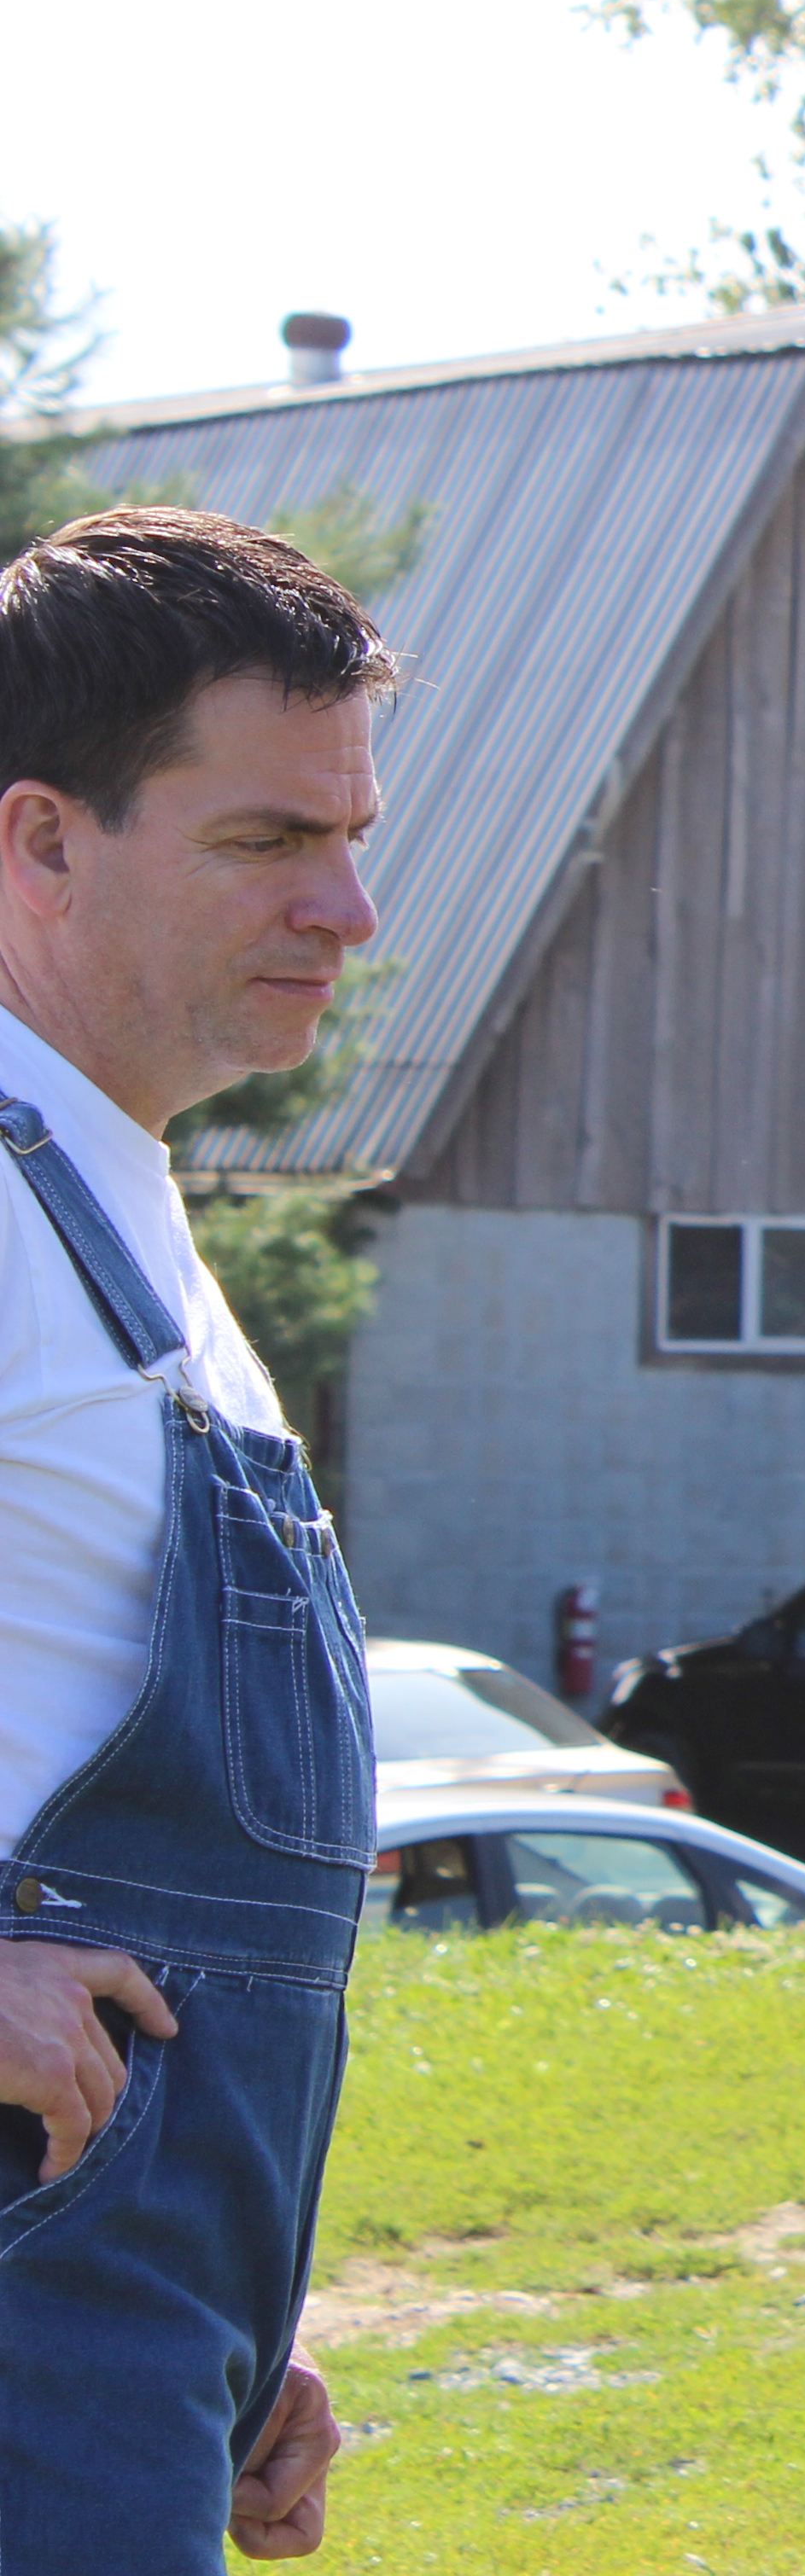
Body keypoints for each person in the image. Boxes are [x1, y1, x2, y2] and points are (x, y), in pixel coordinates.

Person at [0, 509, 396, 2568]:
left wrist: (233, 2321)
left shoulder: (120, 1203)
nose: (345, 905)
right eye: (265, 843)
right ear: (42, 839)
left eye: (348, 834)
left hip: (128, 2314)